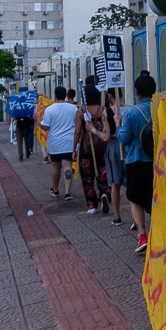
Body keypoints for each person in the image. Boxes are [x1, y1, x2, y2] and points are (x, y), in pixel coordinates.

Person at [117, 70, 155, 254]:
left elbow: (123, 139)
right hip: (156, 162)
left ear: (137, 92)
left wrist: (117, 126)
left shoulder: (131, 113)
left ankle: (142, 235)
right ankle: (159, 233)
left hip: (135, 161)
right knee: (154, 198)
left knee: (134, 198)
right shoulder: (161, 109)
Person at [74, 85, 111, 215]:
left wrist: (74, 150)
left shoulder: (81, 112)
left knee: (87, 178)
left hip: (86, 148)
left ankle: (92, 205)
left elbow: (77, 132)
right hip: (101, 146)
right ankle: (105, 194)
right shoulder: (102, 110)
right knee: (103, 173)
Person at [40, 86, 78, 200]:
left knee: (56, 167)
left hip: (54, 143)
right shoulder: (73, 108)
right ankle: (67, 192)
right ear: (65, 95)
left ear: (55, 95)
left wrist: (37, 121)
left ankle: (55, 189)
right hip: (69, 142)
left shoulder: (49, 109)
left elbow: (46, 127)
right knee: (67, 166)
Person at [104, 87, 125, 225]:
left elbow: (105, 136)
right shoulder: (127, 108)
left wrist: (92, 129)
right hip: (126, 145)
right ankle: (136, 216)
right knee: (129, 181)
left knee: (115, 183)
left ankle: (117, 215)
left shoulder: (106, 112)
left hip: (113, 146)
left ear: (110, 96)